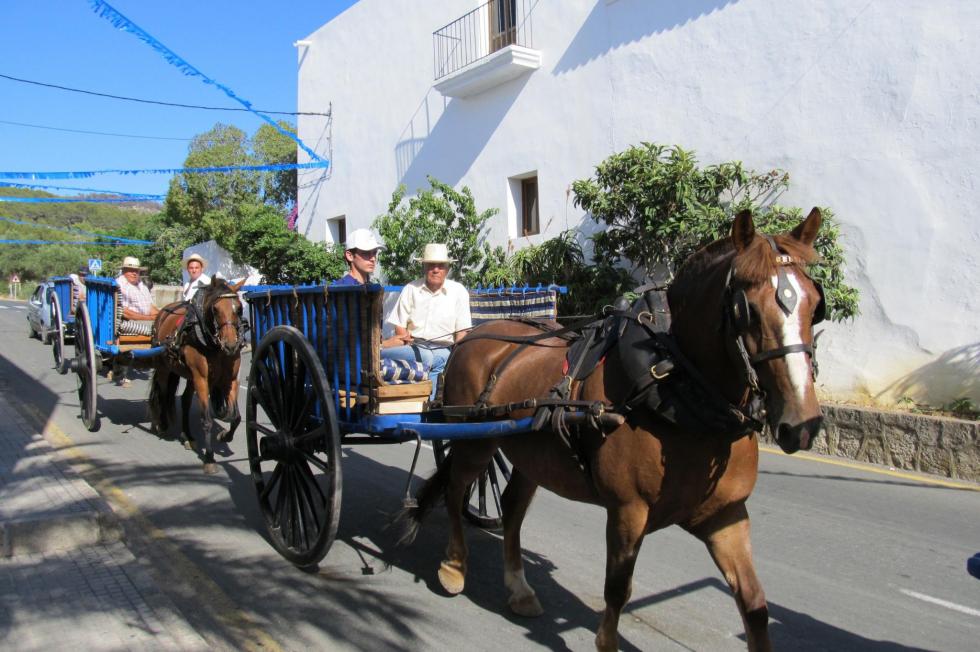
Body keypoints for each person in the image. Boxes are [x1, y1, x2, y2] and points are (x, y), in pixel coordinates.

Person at [382, 243, 472, 400]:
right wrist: (407, 342)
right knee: (423, 356)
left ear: (447, 269)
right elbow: (400, 327)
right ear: (424, 267)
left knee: (436, 358)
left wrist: (457, 359)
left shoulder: (458, 292)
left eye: (440, 266)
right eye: (431, 265)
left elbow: (461, 333)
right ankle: (425, 405)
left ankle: (428, 405)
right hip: (413, 347)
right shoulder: (411, 289)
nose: (436, 269)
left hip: (443, 349)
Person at [117, 256, 159, 335]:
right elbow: (125, 313)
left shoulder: (142, 285)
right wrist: (149, 318)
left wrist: (160, 316)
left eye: (136, 271)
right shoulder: (121, 286)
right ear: (124, 271)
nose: (134, 273)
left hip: (147, 321)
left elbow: (150, 307)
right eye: (131, 270)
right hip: (131, 323)